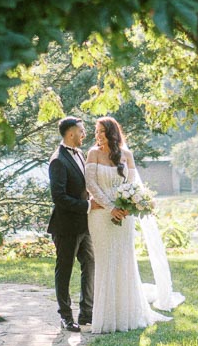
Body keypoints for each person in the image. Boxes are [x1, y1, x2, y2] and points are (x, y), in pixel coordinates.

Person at [83, 116, 184, 334]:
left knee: (124, 260)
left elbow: (131, 186)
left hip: (124, 216)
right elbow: (90, 184)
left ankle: (127, 314)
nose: (97, 135)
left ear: (111, 132)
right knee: (105, 262)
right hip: (101, 215)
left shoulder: (126, 155)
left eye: (101, 131)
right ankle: (106, 318)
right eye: (96, 131)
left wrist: (127, 206)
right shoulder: (93, 153)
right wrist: (111, 207)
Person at [47, 116, 98, 332]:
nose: (84, 134)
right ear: (70, 134)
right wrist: (87, 206)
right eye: (81, 131)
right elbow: (58, 197)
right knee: (65, 270)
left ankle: (87, 313)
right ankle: (66, 317)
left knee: (90, 263)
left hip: (84, 225)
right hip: (66, 226)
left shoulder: (80, 154)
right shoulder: (58, 160)